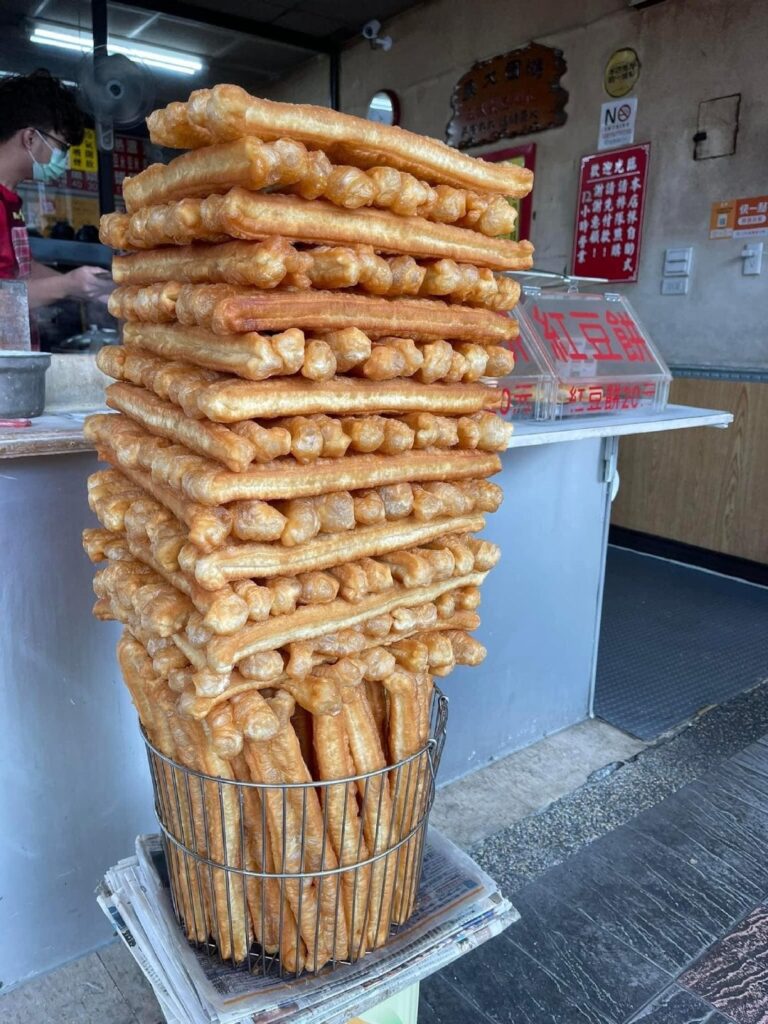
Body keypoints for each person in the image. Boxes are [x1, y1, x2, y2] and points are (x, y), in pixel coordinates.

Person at [0, 69, 111, 309]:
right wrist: (67, 285)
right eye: (62, 147)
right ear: (30, 138)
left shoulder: (9, 201)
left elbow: (23, 269)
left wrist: (95, 290)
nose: (65, 160)